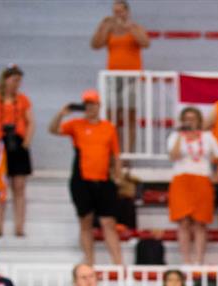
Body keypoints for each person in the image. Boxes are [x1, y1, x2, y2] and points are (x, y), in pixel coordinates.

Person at [50, 89, 122, 265]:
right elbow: (53, 130)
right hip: (82, 180)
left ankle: (118, 263)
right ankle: (89, 261)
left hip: (103, 180)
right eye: (87, 104)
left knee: (108, 222)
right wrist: (61, 113)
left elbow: (115, 155)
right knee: (85, 221)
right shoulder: (76, 125)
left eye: (93, 104)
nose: (90, 108)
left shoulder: (108, 128)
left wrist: (118, 176)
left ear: (99, 105)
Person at [167, 106, 218, 265]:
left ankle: (199, 260)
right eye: (187, 119)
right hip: (181, 180)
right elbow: (173, 156)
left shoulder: (207, 137)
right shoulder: (175, 136)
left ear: (199, 121)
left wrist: (217, 177)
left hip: (202, 180)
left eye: (193, 119)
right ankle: (186, 260)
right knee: (183, 222)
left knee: (200, 222)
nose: (190, 121)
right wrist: (181, 134)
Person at [0, 65, 34, 238]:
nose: (17, 84)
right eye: (14, 80)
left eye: (19, 81)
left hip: (18, 143)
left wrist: (26, 142)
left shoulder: (23, 99)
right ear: (5, 79)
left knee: (19, 187)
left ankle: (19, 227)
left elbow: (30, 121)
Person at [91, 0, 149, 151]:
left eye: (120, 11)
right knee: (111, 116)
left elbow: (145, 43)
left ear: (127, 12)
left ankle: (127, 154)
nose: (118, 15)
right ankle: (113, 152)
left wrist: (128, 27)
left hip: (132, 78)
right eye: (115, 12)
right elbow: (95, 45)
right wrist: (102, 26)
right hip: (112, 78)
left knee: (130, 116)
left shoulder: (135, 27)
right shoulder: (109, 29)